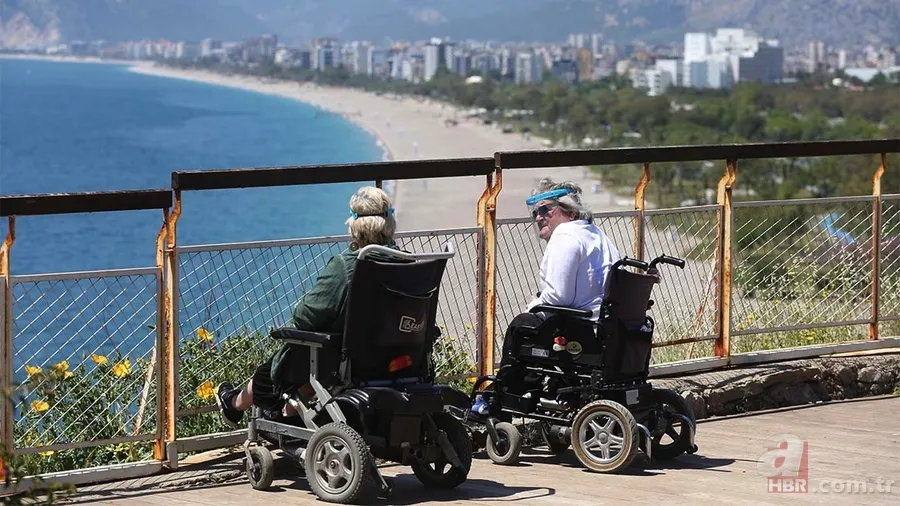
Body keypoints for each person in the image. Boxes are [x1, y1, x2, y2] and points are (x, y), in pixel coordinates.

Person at [216, 186, 401, 427]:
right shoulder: (404, 262)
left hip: (344, 358)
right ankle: (271, 409)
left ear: (355, 227)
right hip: (393, 353)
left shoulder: (347, 267)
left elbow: (305, 316)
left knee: (271, 371)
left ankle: (238, 406)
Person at [472, 178, 619, 414]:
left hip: (581, 327)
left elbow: (559, 297)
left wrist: (534, 303)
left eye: (545, 210)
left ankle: (503, 397)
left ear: (569, 211)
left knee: (522, 325)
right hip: (605, 322)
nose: (538, 217)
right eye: (535, 213)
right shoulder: (597, 234)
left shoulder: (566, 235)